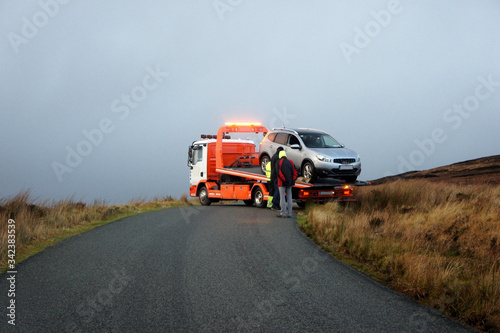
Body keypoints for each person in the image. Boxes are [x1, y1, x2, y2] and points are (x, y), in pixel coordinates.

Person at [277, 150, 297, 218]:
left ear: (280, 155)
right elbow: (295, 172)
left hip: (281, 183)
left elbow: (279, 173)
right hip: (289, 183)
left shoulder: (279, 162)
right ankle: (289, 213)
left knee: (282, 198)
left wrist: (284, 180)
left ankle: (283, 213)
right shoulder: (291, 162)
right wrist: (292, 180)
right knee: (289, 197)